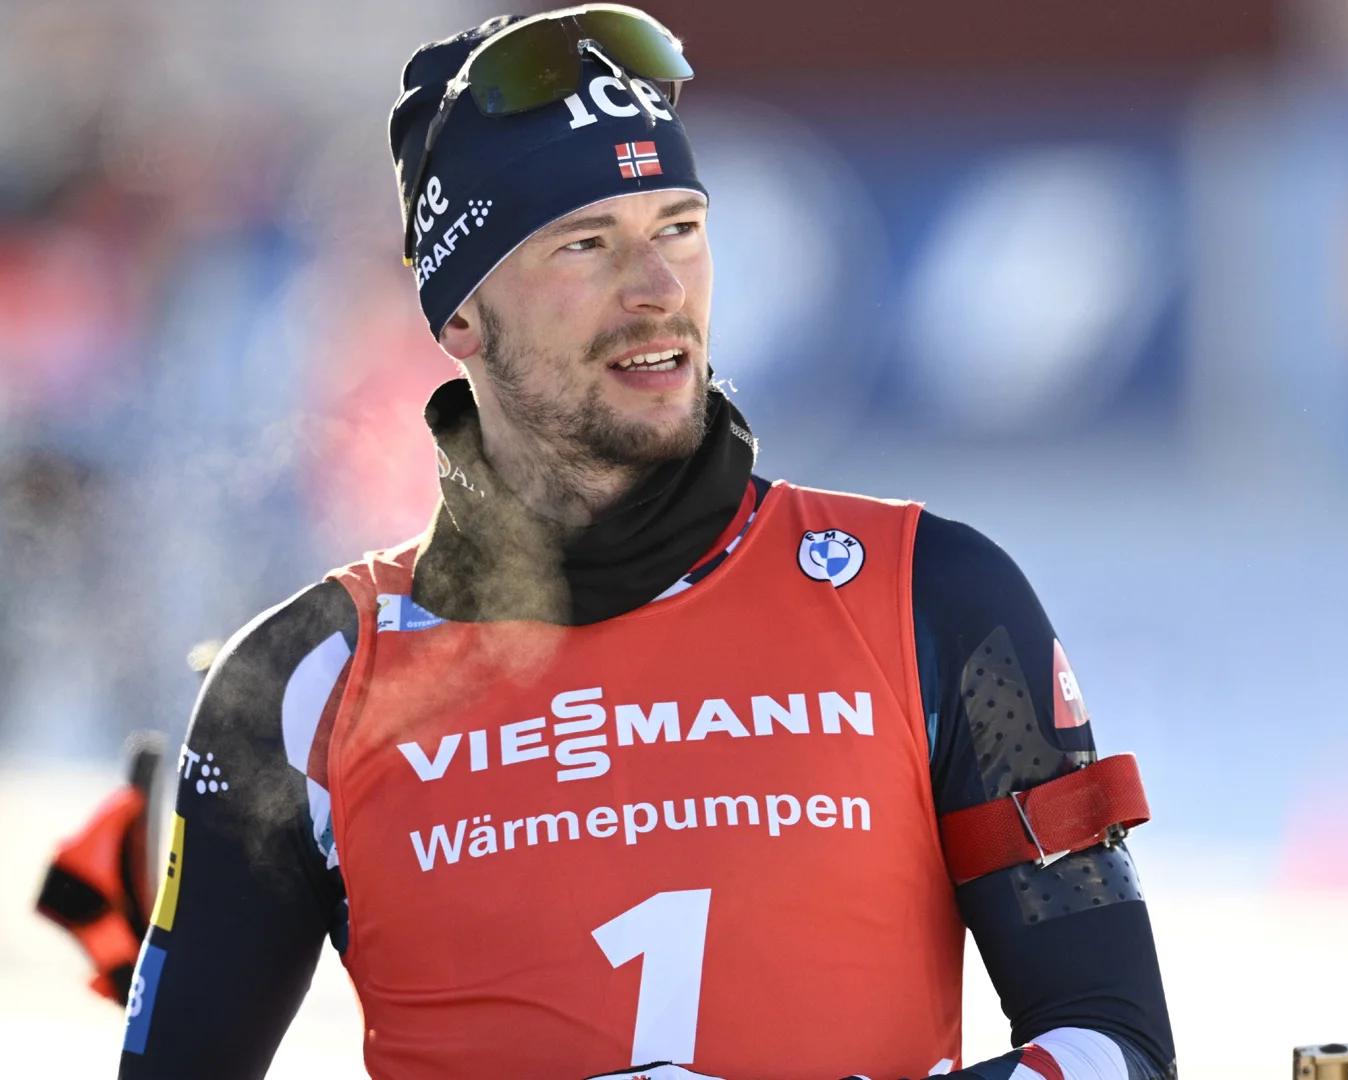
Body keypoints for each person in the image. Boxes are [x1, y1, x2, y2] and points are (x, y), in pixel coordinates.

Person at [117, 8, 1175, 1080]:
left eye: (679, 227)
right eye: (586, 243)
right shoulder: (303, 686)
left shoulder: (931, 598)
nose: (658, 290)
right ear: (462, 314)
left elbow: (1117, 1047)